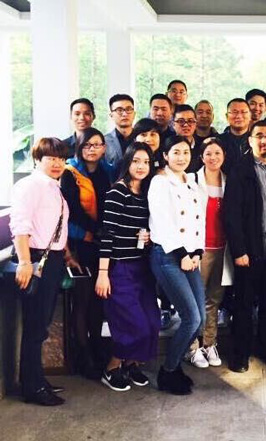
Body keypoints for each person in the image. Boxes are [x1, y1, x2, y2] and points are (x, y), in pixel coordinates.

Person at [9, 138, 71, 406]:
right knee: (35, 325)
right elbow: (19, 226)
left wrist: (66, 254)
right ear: (38, 159)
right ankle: (32, 388)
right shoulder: (30, 186)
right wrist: (25, 262)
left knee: (41, 324)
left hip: (52, 260)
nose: (57, 163)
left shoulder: (53, 186)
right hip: (35, 259)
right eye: (51, 158)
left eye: (61, 159)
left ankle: (35, 379)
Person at [224, 120, 266, 373]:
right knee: (243, 306)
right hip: (249, 253)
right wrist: (239, 250)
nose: (264, 140)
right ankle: (240, 354)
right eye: (259, 135)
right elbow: (231, 214)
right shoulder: (240, 170)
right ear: (250, 140)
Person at [95, 142, 159, 392]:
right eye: (136, 161)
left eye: (146, 162)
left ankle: (131, 364)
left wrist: (149, 237)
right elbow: (107, 235)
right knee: (133, 323)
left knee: (152, 322)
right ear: (127, 162)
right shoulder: (117, 192)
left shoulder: (148, 192)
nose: (141, 166)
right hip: (119, 268)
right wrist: (103, 274)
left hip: (143, 267)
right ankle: (112, 367)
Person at [148, 136, 205, 395]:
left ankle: (176, 365)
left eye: (185, 152)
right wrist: (182, 253)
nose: (181, 157)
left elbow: (199, 220)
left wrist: (197, 252)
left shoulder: (191, 180)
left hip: (190, 255)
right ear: (165, 156)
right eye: (176, 152)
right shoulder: (160, 182)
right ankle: (168, 371)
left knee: (200, 318)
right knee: (191, 317)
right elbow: (163, 223)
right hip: (168, 255)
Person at [61, 128, 116, 380]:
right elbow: (71, 211)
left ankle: (97, 347)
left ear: (104, 148)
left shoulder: (108, 171)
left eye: (97, 145)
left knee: (98, 301)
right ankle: (84, 356)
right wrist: (95, 231)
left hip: (102, 244)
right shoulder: (70, 173)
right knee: (82, 301)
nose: (92, 149)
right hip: (80, 242)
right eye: (87, 145)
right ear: (79, 147)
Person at [185, 138, 232, 369]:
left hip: (223, 248)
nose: (213, 158)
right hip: (199, 250)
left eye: (217, 153)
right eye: (208, 153)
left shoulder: (229, 181)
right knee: (195, 299)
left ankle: (209, 343)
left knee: (214, 298)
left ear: (224, 156)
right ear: (201, 157)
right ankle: (192, 346)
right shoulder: (191, 180)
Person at [218, 98, 251, 174]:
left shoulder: (257, 140)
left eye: (243, 112)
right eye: (234, 112)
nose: (239, 116)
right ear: (227, 116)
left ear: (250, 116)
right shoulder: (218, 142)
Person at [104, 94, 136, 168]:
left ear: (134, 114)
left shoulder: (142, 138)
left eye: (128, 109)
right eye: (119, 110)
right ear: (111, 115)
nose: (124, 114)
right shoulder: (104, 141)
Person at [173, 104, 203, 173]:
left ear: (195, 124)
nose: (186, 125)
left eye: (190, 121)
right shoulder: (166, 146)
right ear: (173, 124)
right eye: (181, 121)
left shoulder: (202, 148)